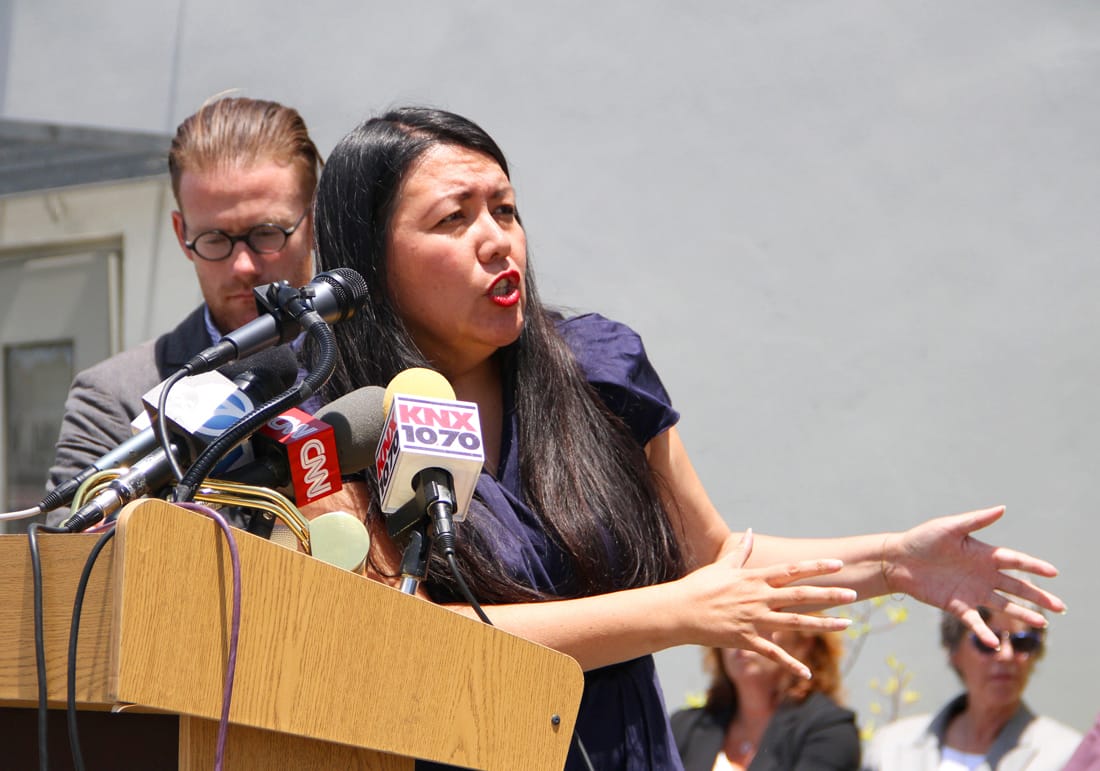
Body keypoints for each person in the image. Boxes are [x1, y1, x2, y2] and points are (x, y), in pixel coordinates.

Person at [305, 106, 1065, 771]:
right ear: (371, 261)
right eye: (452, 218)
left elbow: (712, 558)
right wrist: (674, 613)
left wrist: (895, 560)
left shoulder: (597, 372)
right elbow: (410, 642)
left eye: (505, 209)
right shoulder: (340, 427)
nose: (497, 241)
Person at [45, 95, 321, 524]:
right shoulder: (113, 398)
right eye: (214, 239)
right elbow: (71, 572)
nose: (243, 266)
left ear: (314, 221)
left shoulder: (381, 370)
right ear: (181, 233)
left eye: (267, 233)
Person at [862, 606, 1081, 770]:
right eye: (987, 641)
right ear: (953, 650)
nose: (1005, 655)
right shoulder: (890, 747)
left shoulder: (1070, 755)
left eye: (1022, 642)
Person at [671, 627, 860, 770]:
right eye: (733, 622)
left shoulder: (830, 729)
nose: (743, 635)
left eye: (761, 623)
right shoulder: (683, 727)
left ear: (803, 641)